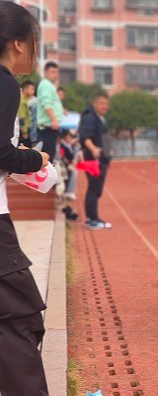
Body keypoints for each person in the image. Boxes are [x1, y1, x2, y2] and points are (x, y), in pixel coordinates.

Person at [0, 2, 51, 394]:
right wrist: (35, 158)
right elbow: (0, 152)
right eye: (34, 42)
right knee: (21, 319)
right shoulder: (4, 83)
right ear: (18, 43)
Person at [79, 91, 112, 230]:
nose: (105, 106)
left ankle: (93, 218)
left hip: (100, 159)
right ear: (95, 104)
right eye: (102, 103)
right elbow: (85, 137)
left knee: (96, 188)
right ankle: (91, 220)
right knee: (93, 187)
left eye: (106, 104)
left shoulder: (99, 118)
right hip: (93, 159)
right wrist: (94, 150)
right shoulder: (90, 117)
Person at [37, 61, 64, 163]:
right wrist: (53, 120)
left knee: (49, 154)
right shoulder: (46, 85)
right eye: (52, 72)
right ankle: (46, 178)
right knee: (47, 156)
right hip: (48, 127)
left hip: (50, 126)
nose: (55, 75)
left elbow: (52, 103)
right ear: (45, 72)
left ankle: (47, 176)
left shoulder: (49, 85)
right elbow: (46, 104)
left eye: (56, 72)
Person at [59, 130, 79, 220]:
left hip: (64, 167)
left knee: (72, 172)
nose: (70, 138)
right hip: (62, 168)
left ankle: (66, 206)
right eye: (69, 136)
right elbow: (67, 156)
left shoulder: (65, 145)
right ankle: (69, 192)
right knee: (72, 173)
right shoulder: (62, 145)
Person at [18, 80, 35, 147]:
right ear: (25, 89)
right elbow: (21, 118)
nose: (33, 91)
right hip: (23, 131)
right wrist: (24, 132)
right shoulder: (22, 101)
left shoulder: (25, 100)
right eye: (31, 89)